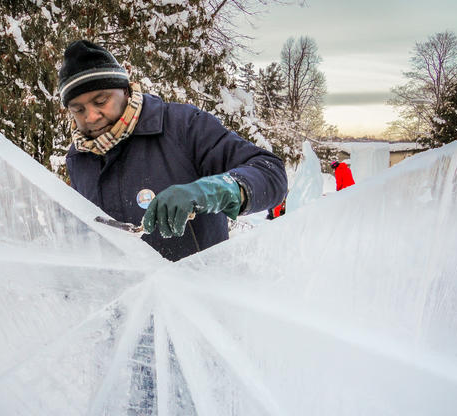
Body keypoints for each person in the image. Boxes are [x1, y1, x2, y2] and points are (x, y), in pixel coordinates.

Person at [59, 40, 287, 261]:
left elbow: (271, 173)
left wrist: (215, 190)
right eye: (78, 109)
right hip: (125, 296)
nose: (90, 116)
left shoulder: (182, 126)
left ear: (125, 91)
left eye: (101, 101)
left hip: (196, 292)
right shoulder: (79, 157)